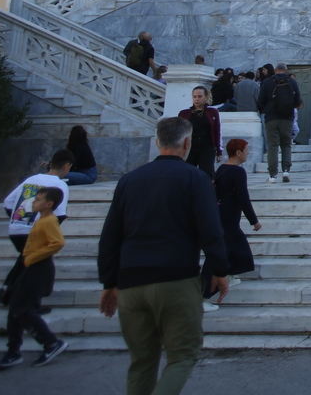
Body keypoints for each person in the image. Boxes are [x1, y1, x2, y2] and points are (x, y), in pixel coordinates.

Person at [97, 116, 230, 395]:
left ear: (157, 142)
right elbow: (211, 231)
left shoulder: (129, 181)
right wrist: (220, 270)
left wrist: (109, 282)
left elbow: (110, 236)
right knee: (182, 356)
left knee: (142, 362)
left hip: (131, 283)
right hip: (176, 280)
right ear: (187, 143)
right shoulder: (196, 178)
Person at [0, 186, 68, 370]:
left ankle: (51, 343)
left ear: (49, 204)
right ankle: (13, 351)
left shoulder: (49, 221)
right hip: (30, 267)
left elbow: (58, 242)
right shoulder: (41, 219)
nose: (33, 202)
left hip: (38, 269)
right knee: (15, 307)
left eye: (38, 199)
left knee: (23, 308)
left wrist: (33, 258)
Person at [201, 139, 261, 311]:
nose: (248, 153)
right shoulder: (237, 172)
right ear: (238, 153)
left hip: (226, 219)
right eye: (246, 150)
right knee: (216, 259)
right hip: (228, 220)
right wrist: (254, 221)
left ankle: (230, 275)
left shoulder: (223, 168)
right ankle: (202, 297)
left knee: (242, 254)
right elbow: (243, 198)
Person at [4, 150, 72, 253]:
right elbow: (60, 214)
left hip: (15, 230)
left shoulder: (31, 179)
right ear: (66, 166)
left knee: (27, 262)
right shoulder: (60, 185)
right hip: (36, 232)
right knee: (38, 263)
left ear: (51, 164)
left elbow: (8, 201)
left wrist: (20, 219)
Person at [258, 62, 301, 184]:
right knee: (286, 144)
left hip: (271, 117)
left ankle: (273, 175)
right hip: (287, 117)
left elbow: (260, 100)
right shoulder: (292, 81)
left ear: (276, 70)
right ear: (286, 71)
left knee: (273, 146)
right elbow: (297, 100)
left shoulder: (267, 82)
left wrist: (268, 108)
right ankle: (286, 170)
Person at [177, 86, 222, 178]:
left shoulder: (212, 112)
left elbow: (217, 131)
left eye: (200, 96)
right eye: (195, 96)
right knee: (187, 172)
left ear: (205, 97)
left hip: (207, 146)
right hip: (190, 147)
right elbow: (179, 132)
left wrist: (219, 150)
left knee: (207, 172)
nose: (197, 99)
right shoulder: (184, 113)